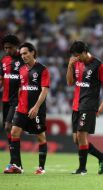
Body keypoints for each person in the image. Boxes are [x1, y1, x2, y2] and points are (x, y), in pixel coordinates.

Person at [66, 41, 103, 175]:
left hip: (89, 104)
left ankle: (82, 168)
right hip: (76, 104)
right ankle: (101, 157)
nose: (76, 58)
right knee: (76, 139)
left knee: (82, 135)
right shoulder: (75, 63)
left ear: (84, 52)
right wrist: (70, 66)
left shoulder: (98, 65)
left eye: (77, 55)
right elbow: (70, 82)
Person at [4, 42, 50, 174]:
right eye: (21, 54)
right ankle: (16, 165)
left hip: (36, 110)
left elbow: (44, 90)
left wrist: (36, 107)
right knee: (14, 132)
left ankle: (41, 168)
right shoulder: (22, 69)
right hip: (22, 108)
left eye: (25, 53)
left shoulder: (42, 69)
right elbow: (21, 88)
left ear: (32, 52)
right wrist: (18, 103)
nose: (23, 56)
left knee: (40, 136)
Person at [0, 34, 24, 171]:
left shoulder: (23, 60)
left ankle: (14, 163)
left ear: (16, 46)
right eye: (5, 48)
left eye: (10, 47)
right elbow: (1, 79)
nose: (7, 50)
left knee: (9, 127)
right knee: (8, 129)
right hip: (5, 100)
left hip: (18, 100)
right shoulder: (4, 60)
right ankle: (16, 163)